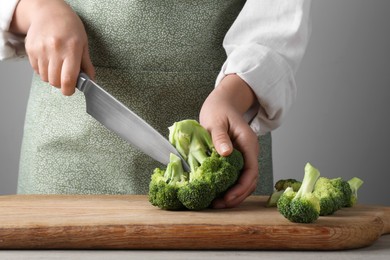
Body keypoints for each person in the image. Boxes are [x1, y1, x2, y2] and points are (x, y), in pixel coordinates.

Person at [0, 0, 312, 209]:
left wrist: (235, 94)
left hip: (226, 131)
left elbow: (277, 21)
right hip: (66, 150)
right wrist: (36, 8)